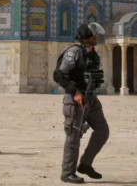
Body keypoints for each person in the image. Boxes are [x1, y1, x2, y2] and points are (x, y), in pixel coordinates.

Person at [53, 23, 109, 184]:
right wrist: (75, 92)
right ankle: (67, 173)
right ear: (85, 38)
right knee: (73, 136)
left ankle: (85, 164)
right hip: (75, 99)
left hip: (90, 98)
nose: (96, 37)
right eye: (93, 35)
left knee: (102, 131)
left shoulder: (93, 55)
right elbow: (58, 75)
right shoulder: (74, 52)